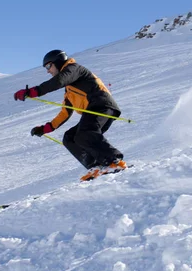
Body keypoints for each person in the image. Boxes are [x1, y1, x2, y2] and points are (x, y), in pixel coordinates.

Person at [13, 49, 126, 181]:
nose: (48, 71)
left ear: (58, 62)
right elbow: (65, 112)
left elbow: (59, 81)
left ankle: (115, 161)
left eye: (49, 66)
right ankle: (95, 167)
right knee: (70, 137)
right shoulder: (70, 89)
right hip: (94, 109)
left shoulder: (74, 69)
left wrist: (33, 92)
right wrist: (47, 128)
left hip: (102, 105)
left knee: (86, 133)